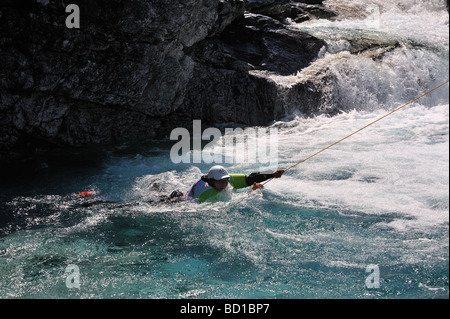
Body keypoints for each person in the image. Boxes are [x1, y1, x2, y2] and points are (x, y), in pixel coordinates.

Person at [180, 165, 285, 203]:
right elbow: (231, 202)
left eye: (226, 180)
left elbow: (249, 179)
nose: (225, 184)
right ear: (212, 182)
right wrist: (252, 191)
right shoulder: (207, 193)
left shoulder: (221, 179)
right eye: (221, 181)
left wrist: (272, 174)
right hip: (181, 202)